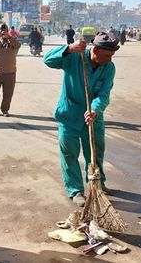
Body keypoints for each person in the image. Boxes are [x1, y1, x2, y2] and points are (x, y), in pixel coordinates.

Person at [43, 32, 119, 208]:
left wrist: (95, 109)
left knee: (95, 152)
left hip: (93, 117)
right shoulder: (74, 57)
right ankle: (75, 190)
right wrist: (69, 49)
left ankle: (97, 183)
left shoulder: (109, 68)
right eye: (106, 55)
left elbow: (104, 94)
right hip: (69, 114)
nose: (109, 59)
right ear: (95, 50)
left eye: (111, 56)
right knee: (69, 153)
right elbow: (48, 60)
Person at [0, 23, 21, 117]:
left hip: (10, 72)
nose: (2, 32)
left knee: (8, 93)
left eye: (4, 30)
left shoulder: (12, 40)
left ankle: (5, 110)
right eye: (1, 30)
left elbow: (18, 45)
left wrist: (9, 37)